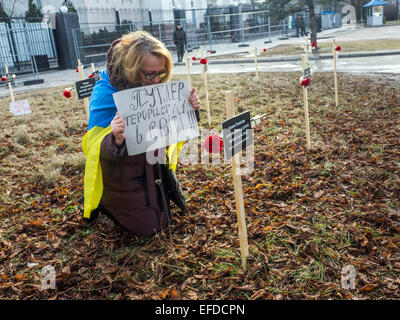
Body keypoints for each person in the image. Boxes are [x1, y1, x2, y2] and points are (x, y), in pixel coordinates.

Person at [82, 30, 201, 236]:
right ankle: (106, 207)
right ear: (132, 68)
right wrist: (115, 138)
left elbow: (171, 125)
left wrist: (190, 110)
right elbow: (92, 147)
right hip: (122, 176)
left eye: (161, 73)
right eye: (150, 74)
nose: (156, 80)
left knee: (161, 218)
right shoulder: (104, 93)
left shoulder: (154, 84)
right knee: (148, 228)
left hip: (153, 169)